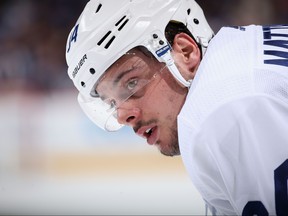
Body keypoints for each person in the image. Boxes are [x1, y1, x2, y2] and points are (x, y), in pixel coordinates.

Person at [65, 0, 288, 215]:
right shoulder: (241, 48)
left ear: (185, 52)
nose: (123, 116)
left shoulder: (220, 111)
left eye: (131, 83)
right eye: (111, 103)